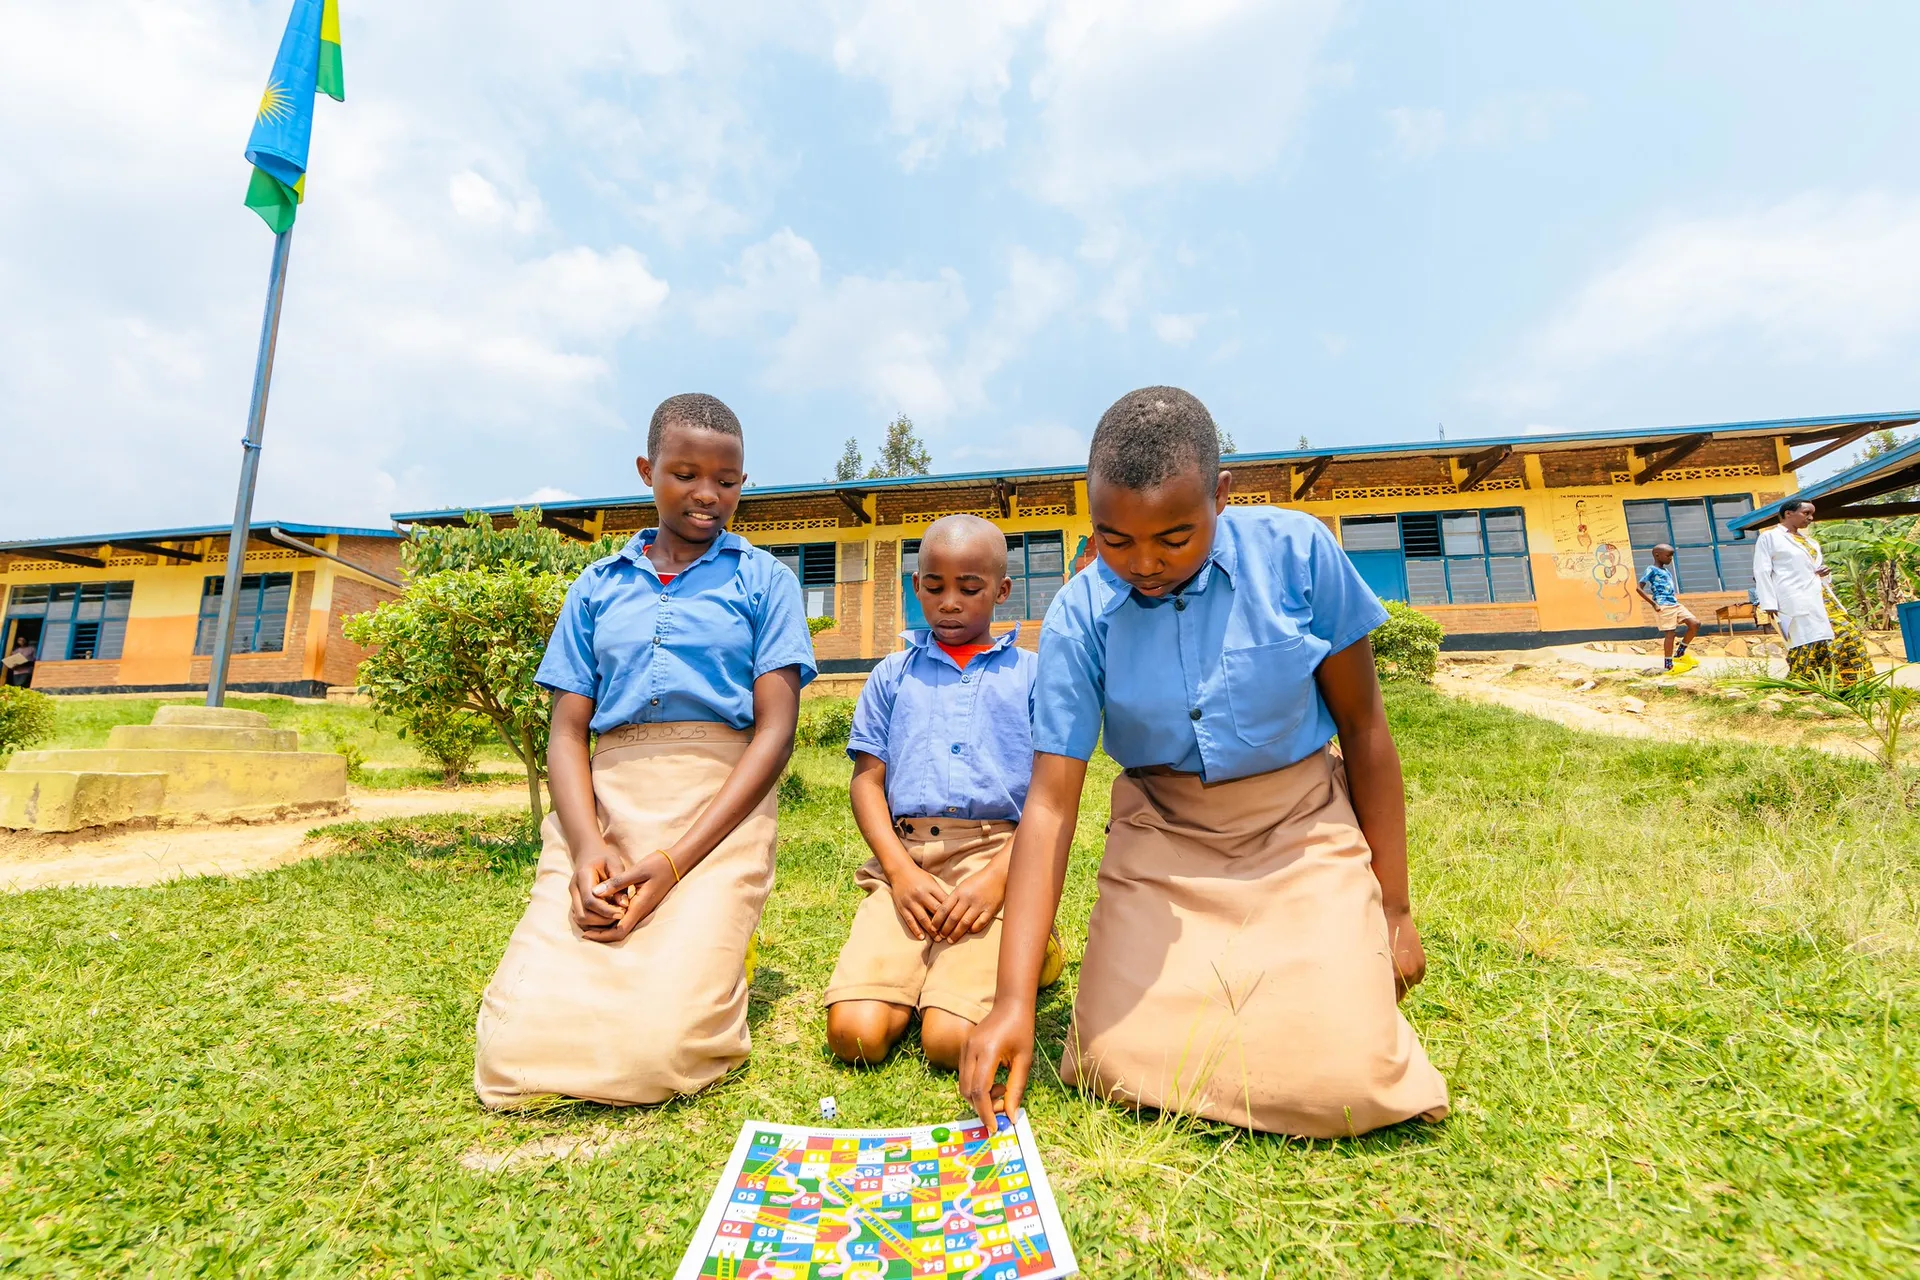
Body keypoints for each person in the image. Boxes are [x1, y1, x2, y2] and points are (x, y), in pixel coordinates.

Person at [959, 386, 1449, 1139]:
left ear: (1222, 494)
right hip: (1164, 841)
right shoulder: (1080, 614)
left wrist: (1394, 908)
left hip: (1300, 833)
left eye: (1175, 537)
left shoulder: (1298, 554)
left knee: (1348, 1084)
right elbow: (1052, 805)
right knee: (1111, 1061)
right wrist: (1011, 1003)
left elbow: (1365, 730)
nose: (1145, 565)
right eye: (1116, 540)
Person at [473, 393, 817, 1108]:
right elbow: (568, 731)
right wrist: (586, 845)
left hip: (718, 812)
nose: (706, 495)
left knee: (661, 1053)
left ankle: (716, 945)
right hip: (610, 805)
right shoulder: (597, 587)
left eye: (727, 481)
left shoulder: (766, 583)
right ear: (646, 469)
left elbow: (775, 732)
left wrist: (671, 865)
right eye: (685, 473)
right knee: (512, 1057)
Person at [823, 514, 1061, 1069]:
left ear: (1002, 591)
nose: (949, 602)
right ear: (916, 586)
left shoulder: (1032, 675)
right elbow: (867, 781)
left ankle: (1035, 944)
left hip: (996, 857)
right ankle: (924, 965)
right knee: (856, 1036)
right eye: (934, 587)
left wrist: (1000, 878)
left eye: (970, 588)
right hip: (906, 861)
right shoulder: (890, 675)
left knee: (949, 1042)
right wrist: (900, 874)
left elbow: (1051, 795)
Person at [1753, 499, 1874, 686]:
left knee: (1847, 631)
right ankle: (1808, 685)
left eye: (1812, 514)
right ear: (1788, 514)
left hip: (1821, 595)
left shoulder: (1811, 542)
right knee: (1808, 638)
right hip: (1794, 598)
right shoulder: (1770, 538)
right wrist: (1768, 603)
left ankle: (1849, 684)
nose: (1810, 518)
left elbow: (1811, 568)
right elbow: (1762, 570)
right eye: (1806, 513)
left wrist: (1824, 573)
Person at [1635, 543, 1700, 674]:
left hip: (1674, 603)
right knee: (1670, 634)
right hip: (1663, 605)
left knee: (1695, 623)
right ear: (1657, 555)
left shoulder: (1666, 571)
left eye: (1672, 556)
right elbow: (1638, 588)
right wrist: (1653, 604)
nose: (1671, 559)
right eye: (1668, 556)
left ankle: (1680, 653)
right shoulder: (1651, 569)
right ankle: (1668, 664)